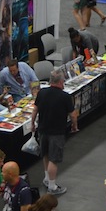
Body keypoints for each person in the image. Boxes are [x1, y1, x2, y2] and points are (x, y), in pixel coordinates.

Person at [36, 68, 78, 196]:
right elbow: (73, 115)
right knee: (54, 159)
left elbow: (34, 110)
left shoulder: (41, 93)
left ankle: (47, 179)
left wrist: (33, 124)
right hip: (56, 133)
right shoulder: (65, 97)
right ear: (60, 82)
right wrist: (74, 126)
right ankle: (52, 187)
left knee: (46, 155)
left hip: (42, 130)